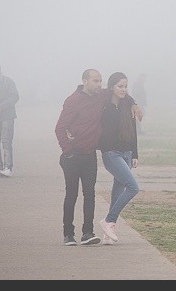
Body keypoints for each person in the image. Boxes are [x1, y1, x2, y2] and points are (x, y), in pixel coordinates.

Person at [54, 69, 142, 246]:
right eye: (95, 81)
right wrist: (67, 150)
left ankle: (88, 233)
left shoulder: (101, 96)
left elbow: (120, 91)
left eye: (100, 81)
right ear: (85, 81)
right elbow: (59, 127)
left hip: (90, 154)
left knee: (90, 194)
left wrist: (134, 102)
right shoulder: (73, 100)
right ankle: (68, 234)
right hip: (73, 155)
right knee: (71, 194)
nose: (99, 84)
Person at [97, 72, 140, 245]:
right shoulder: (104, 104)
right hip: (111, 154)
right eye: (120, 86)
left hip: (127, 153)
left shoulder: (128, 104)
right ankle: (108, 220)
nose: (123, 89)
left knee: (117, 192)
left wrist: (135, 154)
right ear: (112, 87)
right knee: (133, 187)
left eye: (125, 86)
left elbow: (133, 130)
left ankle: (108, 233)